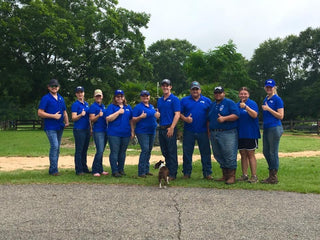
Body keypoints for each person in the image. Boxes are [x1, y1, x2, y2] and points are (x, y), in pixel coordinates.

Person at [180, 81, 213, 179]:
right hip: (188, 130)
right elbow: (178, 113)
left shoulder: (207, 101)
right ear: (190, 90)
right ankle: (186, 173)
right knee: (187, 153)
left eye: (197, 89)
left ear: (200, 90)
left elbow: (210, 117)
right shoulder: (184, 100)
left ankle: (207, 173)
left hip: (203, 131)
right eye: (193, 89)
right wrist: (185, 119)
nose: (195, 91)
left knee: (206, 153)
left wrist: (209, 130)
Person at [208, 86, 239, 184]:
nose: (218, 94)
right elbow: (208, 119)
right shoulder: (212, 105)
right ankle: (225, 174)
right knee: (218, 154)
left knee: (229, 154)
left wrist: (225, 118)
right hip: (214, 132)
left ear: (223, 93)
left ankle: (231, 176)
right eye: (216, 93)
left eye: (220, 92)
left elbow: (236, 115)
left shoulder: (229, 103)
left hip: (227, 132)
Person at [38, 79, 69, 176]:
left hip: (60, 126)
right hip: (50, 126)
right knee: (54, 146)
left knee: (57, 148)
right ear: (48, 87)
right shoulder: (46, 98)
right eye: (52, 86)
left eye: (56, 86)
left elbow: (64, 111)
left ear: (58, 87)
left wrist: (67, 122)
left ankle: (55, 168)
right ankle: (53, 170)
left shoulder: (61, 98)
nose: (54, 88)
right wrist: (53, 116)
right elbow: (40, 113)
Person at [106, 90, 134, 177]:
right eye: (118, 96)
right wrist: (118, 112)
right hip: (114, 133)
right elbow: (108, 118)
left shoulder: (128, 107)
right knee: (114, 152)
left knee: (122, 152)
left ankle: (121, 169)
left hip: (125, 133)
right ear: (115, 98)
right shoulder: (111, 107)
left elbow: (131, 120)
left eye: (121, 96)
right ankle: (114, 170)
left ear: (124, 97)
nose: (120, 98)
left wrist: (132, 131)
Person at [132, 90, 160, 178]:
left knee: (149, 150)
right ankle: (141, 171)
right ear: (141, 97)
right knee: (145, 149)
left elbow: (155, 116)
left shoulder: (151, 107)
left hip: (152, 131)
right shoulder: (138, 107)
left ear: (149, 97)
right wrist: (140, 117)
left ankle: (146, 170)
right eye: (143, 96)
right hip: (142, 131)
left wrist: (158, 115)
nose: (145, 97)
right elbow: (133, 119)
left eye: (147, 96)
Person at [261, 79, 284, 184]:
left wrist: (269, 109)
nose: (269, 88)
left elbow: (281, 116)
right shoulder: (265, 99)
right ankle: (271, 172)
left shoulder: (277, 99)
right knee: (265, 151)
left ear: (274, 87)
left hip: (275, 127)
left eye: (271, 87)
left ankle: (273, 176)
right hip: (267, 127)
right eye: (267, 87)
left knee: (272, 152)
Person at [157, 79, 180, 181]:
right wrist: (157, 114)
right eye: (163, 86)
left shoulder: (174, 99)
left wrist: (172, 127)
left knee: (171, 152)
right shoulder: (160, 100)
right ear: (161, 87)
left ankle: (173, 174)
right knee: (165, 151)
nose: (165, 87)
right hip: (161, 128)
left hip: (169, 128)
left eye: (167, 86)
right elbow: (160, 113)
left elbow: (177, 114)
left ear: (171, 87)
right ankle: (168, 171)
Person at [237, 87, 261, 183]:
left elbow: (255, 115)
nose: (243, 95)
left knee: (250, 154)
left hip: (251, 133)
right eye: (241, 93)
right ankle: (244, 175)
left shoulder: (252, 103)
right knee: (242, 154)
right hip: (240, 133)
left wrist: (246, 107)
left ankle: (254, 176)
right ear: (239, 95)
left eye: (245, 94)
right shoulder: (236, 105)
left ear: (248, 95)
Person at [71, 86, 91, 175]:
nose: (80, 94)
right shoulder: (75, 104)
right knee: (79, 150)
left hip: (86, 129)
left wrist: (90, 128)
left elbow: (89, 118)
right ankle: (79, 169)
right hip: (79, 129)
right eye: (78, 93)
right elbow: (73, 118)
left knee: (85, 149)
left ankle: (84, 167)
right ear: (76, 94)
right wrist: (80, 115)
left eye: (81, 92)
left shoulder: (86, 104)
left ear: (84, 93)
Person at [89, 89, 108, 177]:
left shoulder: (103, 106)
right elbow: (92, 119)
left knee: (102, 151)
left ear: (102, 96)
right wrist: (98, 116)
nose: (98, 97)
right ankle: (95, 170)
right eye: (97, 96)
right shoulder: (93, 107)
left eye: (99, 96)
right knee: (99, 150)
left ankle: (100, 169)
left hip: (104, 130)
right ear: (94, 97)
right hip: (98, 131)